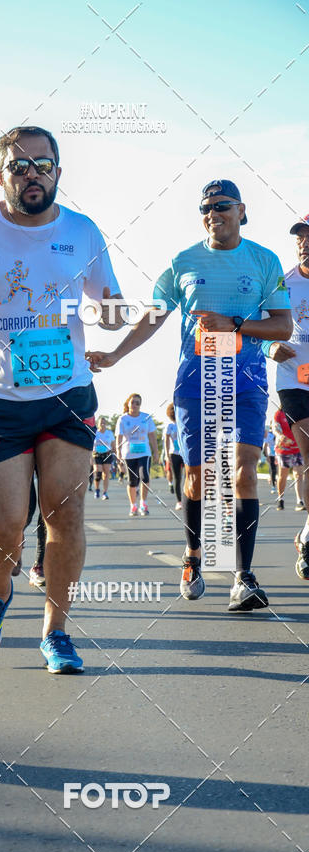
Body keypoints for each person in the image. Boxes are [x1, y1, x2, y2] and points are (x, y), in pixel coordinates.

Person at [0, 125, 124, 673]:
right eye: (20, 166)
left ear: (58, 170)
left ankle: (56, 633)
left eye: (44, 164)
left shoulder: (82, 231)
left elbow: (109, 300)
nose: (33, 174)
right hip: (0, 399)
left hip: (68, 392)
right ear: (0, 175)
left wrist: (114, 311)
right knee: (5, 525)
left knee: (65, 513)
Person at [87, 178, 292, 610]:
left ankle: (243, 575)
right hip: (196, 382)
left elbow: (282, 326)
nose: (213, 213)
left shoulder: (265, 260)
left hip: (248, 379)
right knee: (199, 478)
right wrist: (117, 354)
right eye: (206, 208)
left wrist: (234, 325)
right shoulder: (183, 261)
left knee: (243, 471)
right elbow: (153, 317)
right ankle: (194, 556)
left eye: (222, 205)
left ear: (241, 211)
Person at [263, 214, 309, 578]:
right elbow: (261, 326)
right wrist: (270, 346)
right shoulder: (283, 283)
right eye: (300, 238)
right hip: (295, 380)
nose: (304, 243)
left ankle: (307, 533)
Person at [115, 394, 158, 516]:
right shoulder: (122, 419)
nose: (134, 405)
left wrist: (156, 452)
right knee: (132, 481)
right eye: (133, 402)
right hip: (128, 453)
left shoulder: (146, 418)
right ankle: (133, 506)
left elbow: (152, 436)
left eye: (137, 403)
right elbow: (118, 437)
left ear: (140, 405)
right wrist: (118, 452)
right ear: (128, 403)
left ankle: (143, 503)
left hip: (144, 453)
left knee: (145, 477)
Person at [272, 409, 303, 511]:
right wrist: (280, 435)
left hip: (298, 448)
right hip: (284, 449)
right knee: (282, 476)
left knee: (299, 474)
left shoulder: (298, 411)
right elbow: (275, 428)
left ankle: (300, 501)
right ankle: (280, 498)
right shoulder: (279, 414)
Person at [165, 403, 183, 510]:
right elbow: (167, 441)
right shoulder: (170, 426)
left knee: (188, 476)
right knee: (177, 478)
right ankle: (179, 501)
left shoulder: (185, 423)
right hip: (174, 454)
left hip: (185, 454)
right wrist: (167, 455)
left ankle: (188, 498)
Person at [92, 416, 116, 500]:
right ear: (98, 424)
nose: (102, 424)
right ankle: (97, 489)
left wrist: (116, 453)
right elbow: (90, 445)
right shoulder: (95, 433)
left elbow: (113, 445)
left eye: (104, 422)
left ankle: (105, 492)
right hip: (97, 454)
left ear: (106, 424)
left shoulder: (109, 433)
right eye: (101, 422)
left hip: (107, 454)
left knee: (106, 474)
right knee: (98, 473)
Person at [262, 426, 277, 494]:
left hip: (278, 454)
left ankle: (271, 477)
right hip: (270, 455)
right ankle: (273, 486)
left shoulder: (279, 433)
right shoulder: (269, 435)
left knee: (276, 469)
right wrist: (266, 456)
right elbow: (265, 445)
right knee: (273, 469)